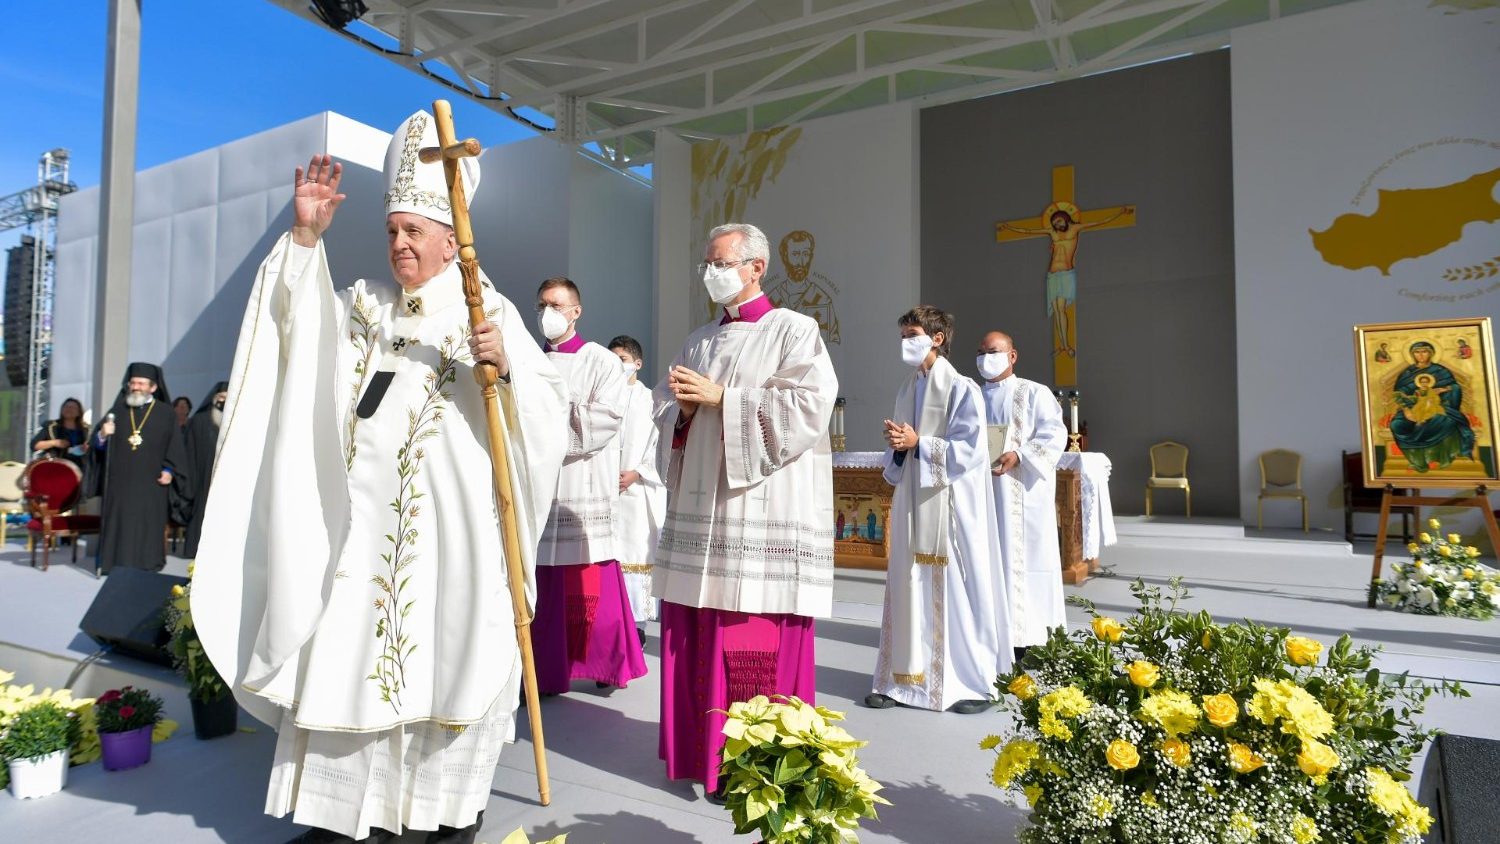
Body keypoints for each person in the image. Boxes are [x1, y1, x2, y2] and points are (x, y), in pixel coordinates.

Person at [191, 111, 568, 844]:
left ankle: (434, 815)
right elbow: (296, 341)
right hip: (359, 544)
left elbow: (548, 415)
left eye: (413, 232)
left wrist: (511, 367)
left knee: (446, 666)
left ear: (449, 237)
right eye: (392, 229)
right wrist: (305, 242)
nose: (397, 244)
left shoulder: (487, 311)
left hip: (453, 547)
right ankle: (346, 818)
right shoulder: (362, 304)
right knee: (352, 667)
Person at [653, 222, 838, 798]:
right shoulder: (700, 339)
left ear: (756, 267)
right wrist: (680, 414)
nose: (711, 272)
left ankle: (757, 769)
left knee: (749, 634)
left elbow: (809, 407)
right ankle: (696, 757)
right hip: (702, 516)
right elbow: (665, 414)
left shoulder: (794, 330)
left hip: (758, 513)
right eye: (707, 262)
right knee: (696, 630)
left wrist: (722, 400)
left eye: (721, 261)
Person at [864, 307, 1009, 715]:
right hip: (913, 501)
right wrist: (899, 445)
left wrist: (919, 443)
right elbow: (905, 447)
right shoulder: (907, 388)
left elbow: (970, 451)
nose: (905, 343)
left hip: (951, 509)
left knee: (955, 591)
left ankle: (969, 683)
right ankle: (902, 681)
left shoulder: (962, 388)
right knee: (909, 584)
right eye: (903, 336)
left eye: (912, 334)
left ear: (937, 338)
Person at [532, 278, 646, 694]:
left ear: (575, 311)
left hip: (584, 485)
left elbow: (605, 418)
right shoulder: (528, 359)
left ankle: (603, 664)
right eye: (542, 304)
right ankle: (545, 672)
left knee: (590, 577)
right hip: (541, 488)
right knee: (544, 584)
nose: (547, 312)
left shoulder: (600, 361)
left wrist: (545, 420)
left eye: (556, 304)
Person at [976, 331, 1069, 661]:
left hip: (1023, 496)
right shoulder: (971, 396)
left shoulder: (1034, 392)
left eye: (994, 352)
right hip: (983, 494)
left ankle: (1033, 638)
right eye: (982, 352)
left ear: (1012, 356)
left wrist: (1020, 455)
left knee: (1029, 564)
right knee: (987, 564)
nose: (987, 358)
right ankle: (992, 636)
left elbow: (1055, 433)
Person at [89, 363, 188, 574]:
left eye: (141, 383)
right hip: (120, 483)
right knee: (120, 523)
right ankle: (114, 563)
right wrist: (103, 435)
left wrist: (169, 470)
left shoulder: (166, 413)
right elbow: (97, 447)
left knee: (147, 523)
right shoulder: (117, 411)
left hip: (151, 482)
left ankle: (147, 563)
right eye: (133, 382)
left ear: (153, 387)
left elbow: (175, 446)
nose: (136, 387)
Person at [609, 334, 666, 645]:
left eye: (621, 359)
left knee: (636, 560)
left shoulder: (651, 400)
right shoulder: (605, 397)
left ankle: (639, 626)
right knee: (610, 559)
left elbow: (660, 445)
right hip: (606, 493)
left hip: (637, 492)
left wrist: (637, 473)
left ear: (637, 363)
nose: (616, 366)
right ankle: (612, 621)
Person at [1389, 341, 1474, 472]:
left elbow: (1455, 387)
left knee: (1444, 421)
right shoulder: (1407, 373)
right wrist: (1407, 410)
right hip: (1412, 409)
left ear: (1431, 353)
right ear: (1412, 355)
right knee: (1397, 425)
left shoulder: (1441, 371)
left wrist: (1444, 389)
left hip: (1438, 407)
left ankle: (1441, 458)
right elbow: (1399, 394)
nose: (1421, 355)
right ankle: (1418, 461)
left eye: (1424, 351)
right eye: (1417, 352)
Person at [180, 381, 227, 559]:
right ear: (214, 399)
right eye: (221, 398)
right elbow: (189, 451)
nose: (224, 401)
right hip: (203, 478)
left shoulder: (241, 420)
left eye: (228, 398)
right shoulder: (199, 421)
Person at [31, 397, 89, 470]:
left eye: (73, 407)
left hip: (80, 468)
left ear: (79, 412)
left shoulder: (87, 429)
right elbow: (34, 445)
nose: (69, 409)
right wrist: (54, 443)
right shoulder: (51, 426)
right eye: (66, 407)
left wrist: (87, 448)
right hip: (56, 467)